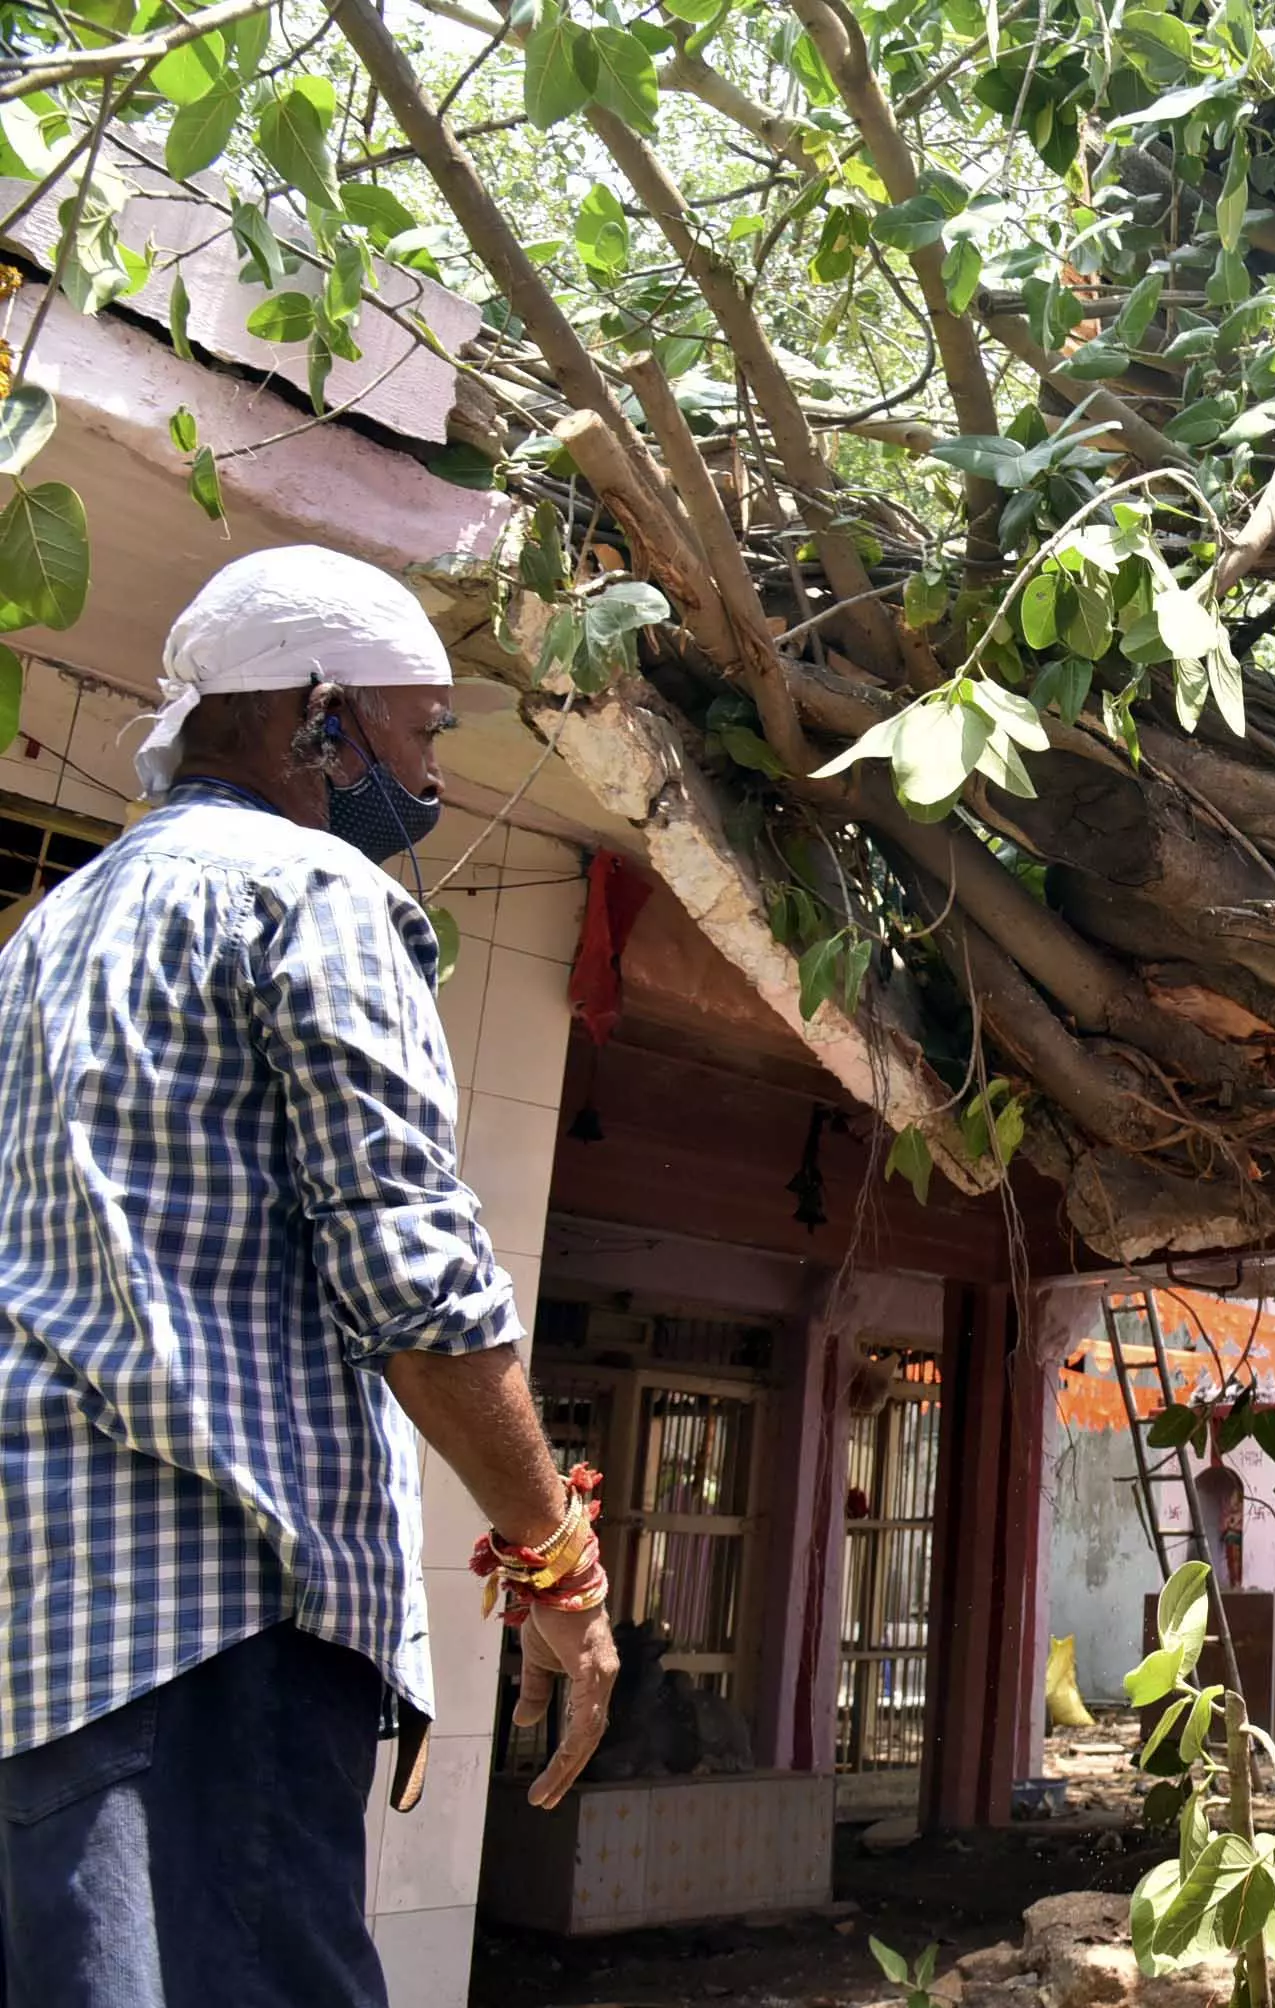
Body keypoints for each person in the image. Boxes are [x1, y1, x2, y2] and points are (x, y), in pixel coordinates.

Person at [0, 546, 616, 2006]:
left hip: (47, 1633)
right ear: (319, 724)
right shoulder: (312, 895)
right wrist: (557, 1566)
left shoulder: (45, 940)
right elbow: (410, 1269)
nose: (438, 780)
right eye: (422, 731)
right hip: (224, 1618)